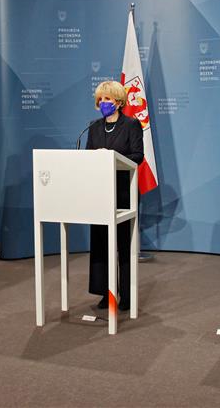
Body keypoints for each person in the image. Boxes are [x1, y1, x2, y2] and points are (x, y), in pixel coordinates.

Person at [86, 80, 144, 311]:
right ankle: (106, 292)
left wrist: (110, 155)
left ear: (119, 102)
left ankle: (127, 295)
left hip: (123, 192)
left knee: (123, 245)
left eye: (107, 99)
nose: (103, 103)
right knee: (101, 245)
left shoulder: (131, 125)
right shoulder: (93, 127)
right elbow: (89, 156)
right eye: (100, 99)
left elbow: (137, 156)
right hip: (100, 192)